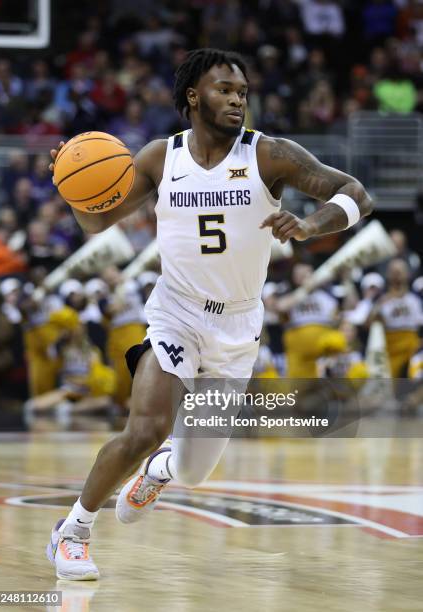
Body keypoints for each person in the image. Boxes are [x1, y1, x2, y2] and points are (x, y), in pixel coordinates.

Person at [46, 48, 372, 580]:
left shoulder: (271, 156)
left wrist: (311, 227)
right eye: (225, 89)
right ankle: (73, 531)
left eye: (242, 92)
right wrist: (71, 182)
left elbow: (356, 195)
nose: (237, 100)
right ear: (194, 97)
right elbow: (96, 223)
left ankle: (164, 469)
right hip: (176, 312)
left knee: (194, 470)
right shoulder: (159, 157)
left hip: (239, 326)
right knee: (146, 426)